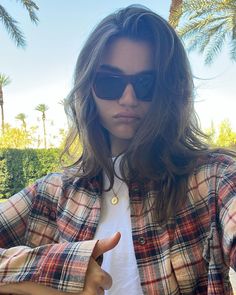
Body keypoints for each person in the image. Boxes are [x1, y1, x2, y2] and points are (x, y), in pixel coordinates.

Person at [0, 4, 235, 295]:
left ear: (171, 90)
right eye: (110, 81)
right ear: (88, 88)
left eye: (147, 83)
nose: (128, 98)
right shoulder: (54, 194)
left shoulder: (211, 179)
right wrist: (52, 270)